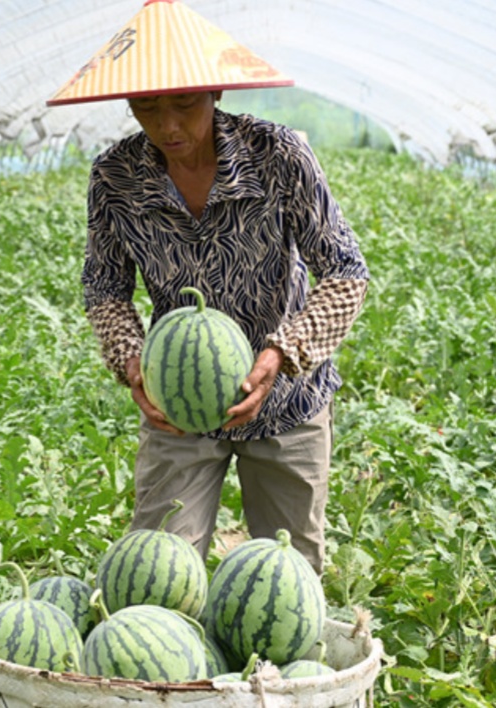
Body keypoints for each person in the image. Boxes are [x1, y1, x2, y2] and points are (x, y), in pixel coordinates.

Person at [47, 0, 368, 574]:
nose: (167, 125)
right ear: (128, 101)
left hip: (289, 401)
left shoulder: (280, 157)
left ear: (216, 92)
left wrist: (282, 354)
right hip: (179, 407)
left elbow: (345, 272)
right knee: (159, 573)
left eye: (184, 103)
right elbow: (104, 288)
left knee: (287, 575)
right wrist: (132, 361)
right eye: (147, 105)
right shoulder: (115, 178)